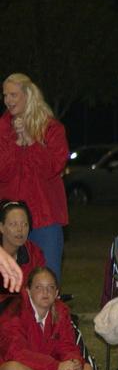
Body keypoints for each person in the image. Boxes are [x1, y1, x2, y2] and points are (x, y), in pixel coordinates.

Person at [0, 74, 69, 279]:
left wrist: (31, 141)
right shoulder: (2, 129)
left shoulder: (53, 129)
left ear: (29, 95)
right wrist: (15, 143)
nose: (8, 100)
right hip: (9, 220)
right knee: (8, 281)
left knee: (45, 281)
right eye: (5, 95)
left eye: (13, 95)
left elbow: (54, 167)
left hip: (45, 220)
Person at [0, 266, 101, 370]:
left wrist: (73, 361)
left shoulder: (61, 311)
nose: (45, 292)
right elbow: (16, 354)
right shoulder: (15, 311)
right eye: (38, 287)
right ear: (28, 291)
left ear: (56, 292)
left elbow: (67, 345)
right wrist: (56, 366)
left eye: (50, 287)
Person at [1, 201, 44, 286]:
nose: (20, 229)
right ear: (1, 227)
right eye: (13, 224)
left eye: (25, 224)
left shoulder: (34, 254)